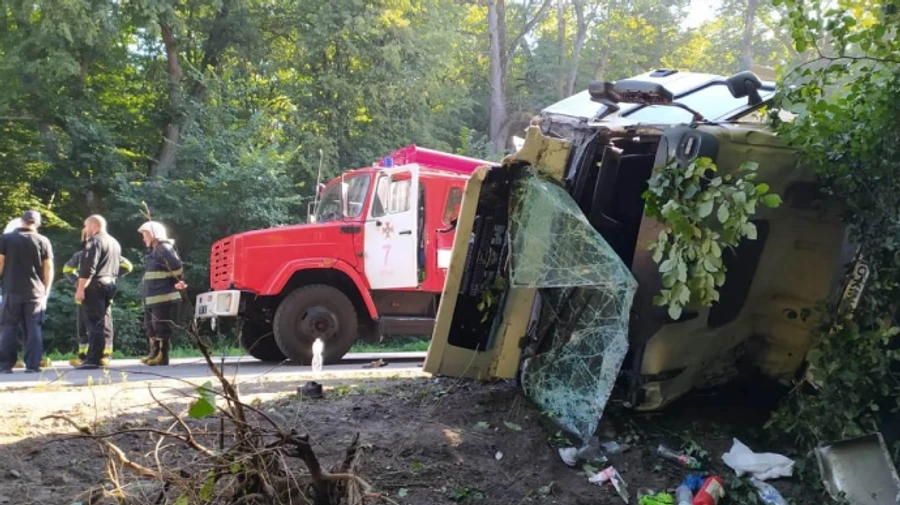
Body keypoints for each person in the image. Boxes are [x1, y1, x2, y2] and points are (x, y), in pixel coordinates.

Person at [63, 229, 133, 367]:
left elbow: (128, 266)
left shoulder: (101, 253)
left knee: (101, 324)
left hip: (95, 292)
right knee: (86, 326)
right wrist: (78, 283)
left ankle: (102, 355)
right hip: (88, 294)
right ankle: (85, 355)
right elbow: (67, 269)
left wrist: (109, 277)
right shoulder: (80, 255)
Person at [0, 211, 53, 373]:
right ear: (37, 223)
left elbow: (0, 263)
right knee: (33, 327)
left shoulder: (6, 239)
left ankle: (5, 365)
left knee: (9, 327)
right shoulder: (43, 240)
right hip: (35, 292)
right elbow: (48, 268)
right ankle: (32, 365)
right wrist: (46, 290)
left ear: (21, 221)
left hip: (11, 291)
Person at [74, 215, 122, 370]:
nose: (84, 229)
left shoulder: (94, 242)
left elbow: (88, 268)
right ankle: (103, 356)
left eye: (86, 226)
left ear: (93, 226)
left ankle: (93, 359)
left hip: (95, 286)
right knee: (104, 322)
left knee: (94, 323)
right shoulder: (114, 242)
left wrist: (81, 288)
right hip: (110, 284)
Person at [138, 221, 186, 367]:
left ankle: (162, 356)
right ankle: (154, 353)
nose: (143, 238)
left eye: (146, 235)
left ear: (155, 235)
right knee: (150, 326)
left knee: (161, 327)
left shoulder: (164, 248)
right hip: (153, 297)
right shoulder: (155, 250)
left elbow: (177, 267)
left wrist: (175, 281)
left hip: (163, 296)